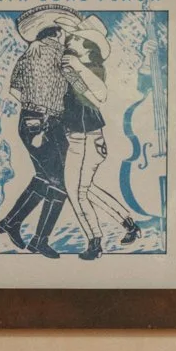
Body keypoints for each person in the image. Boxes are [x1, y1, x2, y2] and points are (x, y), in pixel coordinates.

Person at [0, 8, 78, 257]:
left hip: (28, 121)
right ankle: (39, 240)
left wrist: (35, 105)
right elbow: (75, 92)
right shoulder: (63, 55)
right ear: (60, 32)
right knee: (62, 183)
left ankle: (11, 222)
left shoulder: (27, 54)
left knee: (44, 177)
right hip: (50, 123)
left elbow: (14, 92)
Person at [61, 22, 142, 260]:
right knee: (85, 189)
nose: (69, 40)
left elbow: (100, 96)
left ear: (87, 45)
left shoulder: (93, 67)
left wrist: (76, 67)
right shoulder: (76, 67)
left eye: (74, 38)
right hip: (83, 138)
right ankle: (128, 223)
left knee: (76, 193)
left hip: (84, 139)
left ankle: (94, 243)